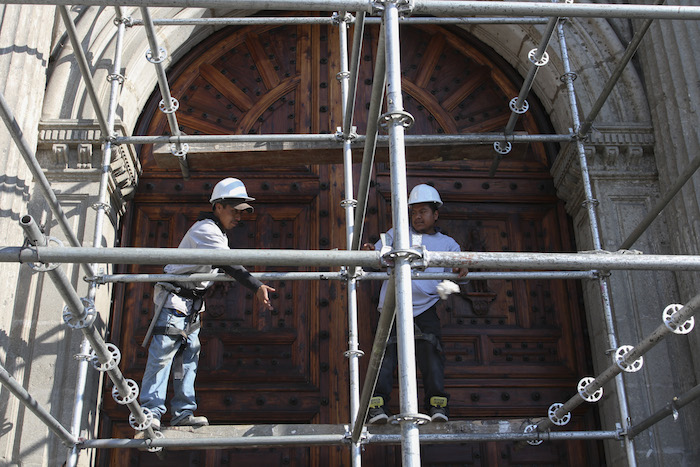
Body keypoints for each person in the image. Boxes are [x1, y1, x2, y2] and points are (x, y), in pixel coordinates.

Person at [139, 177, 275, 431]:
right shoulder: (205, 230)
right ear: (219, 206)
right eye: (234, 211)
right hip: (175, 302)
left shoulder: (217, 233)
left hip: (190, 305)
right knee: (163, 355)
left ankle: (182, 412)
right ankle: (150, 413)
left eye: (241, 212)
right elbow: (228, 263)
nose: (238, 217)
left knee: (187, 358)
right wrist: (256, 286)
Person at [362, 184, 467, 424]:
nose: (418, 216)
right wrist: (369, 252)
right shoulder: (395, 234)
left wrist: (463, 266)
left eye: (423, 211)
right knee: (384, 357)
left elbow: (459, 266)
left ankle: (436, 406)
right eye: (414, 211)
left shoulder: (448, 244)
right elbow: (376, 259)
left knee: (431, 355)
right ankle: (377, 408)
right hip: (393, 306)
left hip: (425, 308)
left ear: (435, 214)